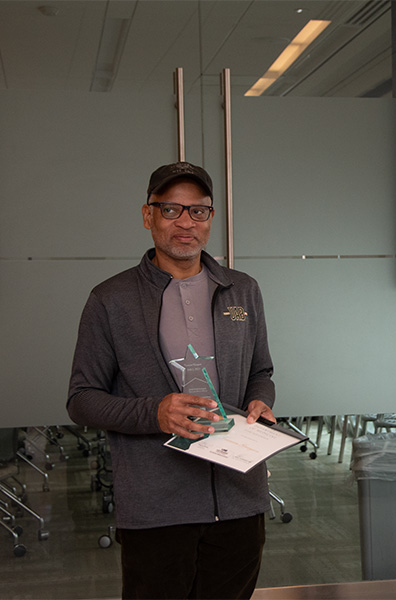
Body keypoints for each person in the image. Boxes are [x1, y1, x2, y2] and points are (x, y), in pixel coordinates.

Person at [67, 161, 276, 599]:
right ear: (148, 216)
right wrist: (156, 412)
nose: (186, 223)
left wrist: (259, 401)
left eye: (198, 211)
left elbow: (261, 372)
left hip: (240, 498)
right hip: (156, 508)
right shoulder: (111, 299)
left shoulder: (243, 290)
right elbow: (82, 399)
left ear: (211, 219)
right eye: (171, 210)